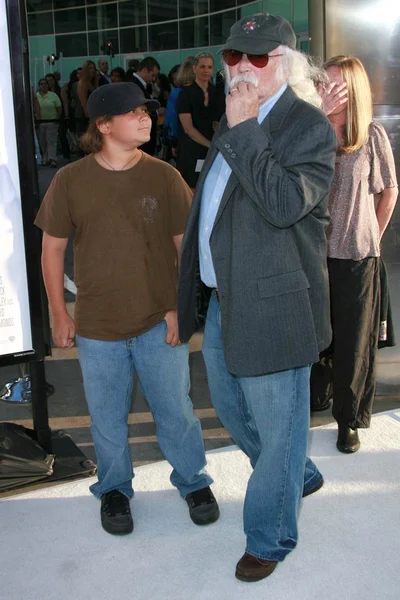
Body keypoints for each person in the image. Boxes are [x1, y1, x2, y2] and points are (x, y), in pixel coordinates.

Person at [178, 13, 337, 582]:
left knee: (276, 430)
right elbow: (215, 210)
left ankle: (270, 536)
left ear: (286, 65)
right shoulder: (232, 120)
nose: (242, 66)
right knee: (234, 413)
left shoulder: (307, 126)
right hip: (225, 301)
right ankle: (298, 471)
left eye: (259, 57)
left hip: (275, 306)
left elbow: (283, 204)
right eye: (232, 57)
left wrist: (246, 130)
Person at [34, 82, 219, 536]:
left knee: (176, 409)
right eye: (134, 112)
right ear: (102, 125)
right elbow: (52, 250)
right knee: (107, 417)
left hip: (159, 322)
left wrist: (181, 308)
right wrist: (60, 313)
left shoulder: (164, 176)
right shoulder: (70, 180)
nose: (146, 119)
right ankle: (114, 489)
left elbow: (185, 251)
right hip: (97, 329)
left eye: (147, 112)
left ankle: (193, 480)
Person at [310, 56, 398, 451]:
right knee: (315, 334)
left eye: (336, 83)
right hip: (310, 253)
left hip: (357, 255)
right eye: (323, 82)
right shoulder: (309, 133)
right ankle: (318, 390)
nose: (328, 89)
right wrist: (317, 118)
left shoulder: (371, 135)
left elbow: (389, 190)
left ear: (354, 87)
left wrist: (374, 236)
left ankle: (348, 420)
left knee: (354, 341)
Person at [176, 52, 225, 190]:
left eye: (209, 67)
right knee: (191, 193)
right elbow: (188, 128)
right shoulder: (185, 94)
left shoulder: (218, 95)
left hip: (213, 152)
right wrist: (210, 145)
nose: (206, 70)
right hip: (191, 152)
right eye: (202, 66)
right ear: (194, 68)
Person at [163, 60, 195, 159]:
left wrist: (173, 142)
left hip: (183, 141)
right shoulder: (208, 91)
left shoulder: (176, 94)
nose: (176, 81)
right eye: (173, 79)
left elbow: (171, 120)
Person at [131, 57, 160, 156]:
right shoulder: (134, 85)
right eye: (153, 75)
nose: (153, 79)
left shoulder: (142, 85)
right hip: (141, 137)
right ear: (144, 70)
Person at [36, 78, 62, 167]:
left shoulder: (53, 95)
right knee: (43, 142)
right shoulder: (36, 96)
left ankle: (52, 159)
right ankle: (45, 158)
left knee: (51, 141)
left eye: (45, 84)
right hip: (41, 123)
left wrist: (57, 119)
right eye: (41, 84)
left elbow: (59, 108)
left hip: (52, 122)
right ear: (39, 86)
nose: (43, 86)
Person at [74, 60, 98, 144]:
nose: (92, 70)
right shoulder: (82, 83)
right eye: (90, 68)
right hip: (84, 115)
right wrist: (89, 118)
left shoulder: (91, 83)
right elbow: (83, 102)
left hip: (91, 114)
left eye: (93, 68)